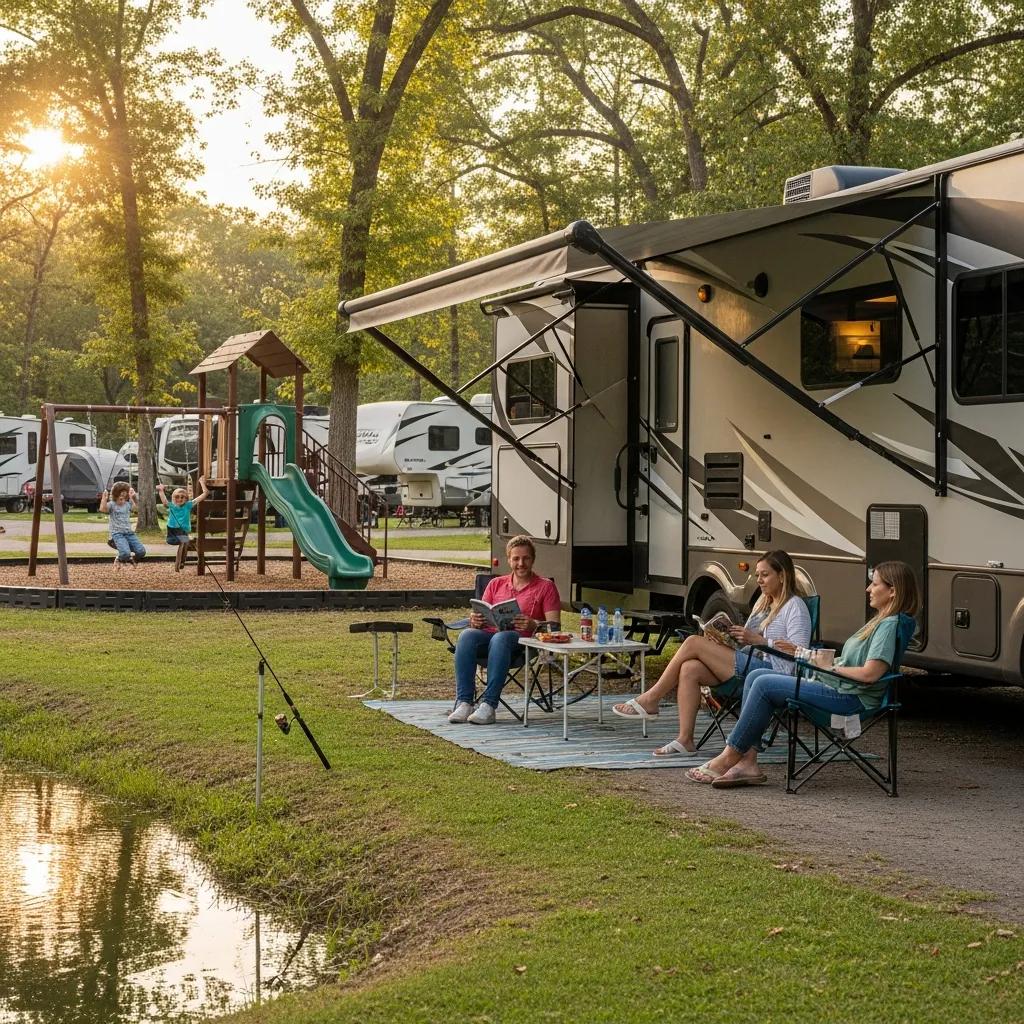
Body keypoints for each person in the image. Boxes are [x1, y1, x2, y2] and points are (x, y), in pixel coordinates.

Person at [688, 560, 920, 788]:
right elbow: (848, 661)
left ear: (892, 591)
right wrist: (805, 654)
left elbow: (870, 674)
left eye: (875, 584)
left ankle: (729, 757)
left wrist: (829, 669)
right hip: (839, 687)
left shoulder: (888, 626)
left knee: (763, 683)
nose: (868, 589)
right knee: (756, 676)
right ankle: (748, 763)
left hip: (851, 699)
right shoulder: (880, 621)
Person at [612, 550, 812, 756]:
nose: (759, 580)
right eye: (757, 575)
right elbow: (747, 644)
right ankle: (685, 740)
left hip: (775, 674)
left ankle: (651, 699)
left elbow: (800, 654)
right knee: (690, 668)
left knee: (693, 643)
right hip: (751, 665)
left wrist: (761, 641)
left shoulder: (795, 607)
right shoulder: (764, 604)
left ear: (782, 576)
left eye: (765, 575)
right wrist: (725, 639)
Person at [448, 535, 561, 725]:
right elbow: (483, 611)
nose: (521, 563)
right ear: (509, 560)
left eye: (526, 558)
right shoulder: (496, 584)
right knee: (467, 635)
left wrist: (534, 624)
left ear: (533, 559)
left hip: (523, 643)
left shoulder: (546, 587)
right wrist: (475, 620)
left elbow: (555, 627)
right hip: (490, 637)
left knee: (501, 638)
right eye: (516, 558)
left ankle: (489, 705)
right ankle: (464, 702)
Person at [157, 476, 209, 571]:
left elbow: (205, 494)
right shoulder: (172, 506)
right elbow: (164, 502)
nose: (180, 499)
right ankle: (180, 562)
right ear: (173, 498)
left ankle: (181, 563)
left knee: (185, 542)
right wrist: (161, 490)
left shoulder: (188, 505)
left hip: (183, 531)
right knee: (183, 541)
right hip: (173, 531)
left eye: (182, 497)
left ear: (186, 499)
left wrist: (202, 482)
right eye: (177, 497)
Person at [100, 481, 146, 566]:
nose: (123, 495)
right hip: (117, 534)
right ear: (116, 494)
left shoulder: (127, 504)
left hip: (129, 533)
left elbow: (138, 509)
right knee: (125, 553)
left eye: (125, 493)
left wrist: (134, 498)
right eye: (121, 493)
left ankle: (131, 560)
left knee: (141, 552)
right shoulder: (112, 505)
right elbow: (103, 509)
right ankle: (120, 558)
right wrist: (104, 498)